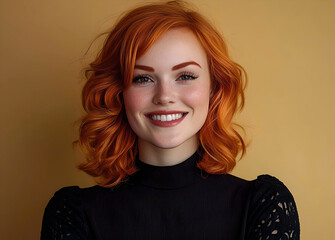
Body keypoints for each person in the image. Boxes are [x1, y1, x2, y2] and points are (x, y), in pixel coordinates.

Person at [41, 1, 300, 239]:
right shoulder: (72, 213)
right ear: (118, 92)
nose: (164, 96)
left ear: (214, 87)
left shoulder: (264, 205)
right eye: (142, 78)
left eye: (185, 76)